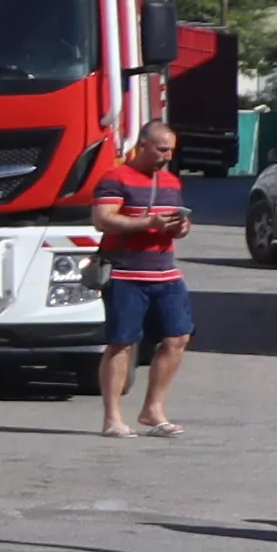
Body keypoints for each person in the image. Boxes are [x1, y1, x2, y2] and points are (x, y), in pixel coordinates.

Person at [91, 129, 197, 436]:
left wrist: (181, 227)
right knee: (122, 342)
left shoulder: (171, 181)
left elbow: (178, 223)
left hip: (165, 272)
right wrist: (149, 223)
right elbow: (103, 219)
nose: (167, 156)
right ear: (142, 146)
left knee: (178, 338)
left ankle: (153, 410)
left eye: (171, 150)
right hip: (126, 274)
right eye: (162, 149)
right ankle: (112, 418)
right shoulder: (116, 178)